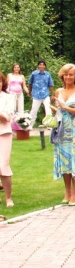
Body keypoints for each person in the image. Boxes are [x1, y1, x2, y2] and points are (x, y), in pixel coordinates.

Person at [51, 64, 75, 206]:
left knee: (74, 160)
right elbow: (58, 111)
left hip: (74, 129)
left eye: (71, 74)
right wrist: (54, 109)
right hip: (61, 129)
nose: (68, 77)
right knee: (64, 160)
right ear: (62, 76)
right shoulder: (58, 91)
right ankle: (67, 192)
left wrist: (65, 107)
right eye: (66, 74)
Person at [0, 72, 16, 208]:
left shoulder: (8, 97)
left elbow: (7, 117)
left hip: (3, 133)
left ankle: (8, 198)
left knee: (3, 166)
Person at [28, 60, 54, 127]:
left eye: (43, 65)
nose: (41, 66)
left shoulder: (48, 74)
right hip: (36, 95)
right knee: (34, 110)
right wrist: (29, 91)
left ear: (45, 66)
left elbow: (50, 85)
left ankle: (49, 125)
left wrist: (52, 94)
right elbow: (30, 83)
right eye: (40, 65)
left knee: (48, 109)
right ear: (38, 66)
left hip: (45, 94)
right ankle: (30, 125)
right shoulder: (34, 74)